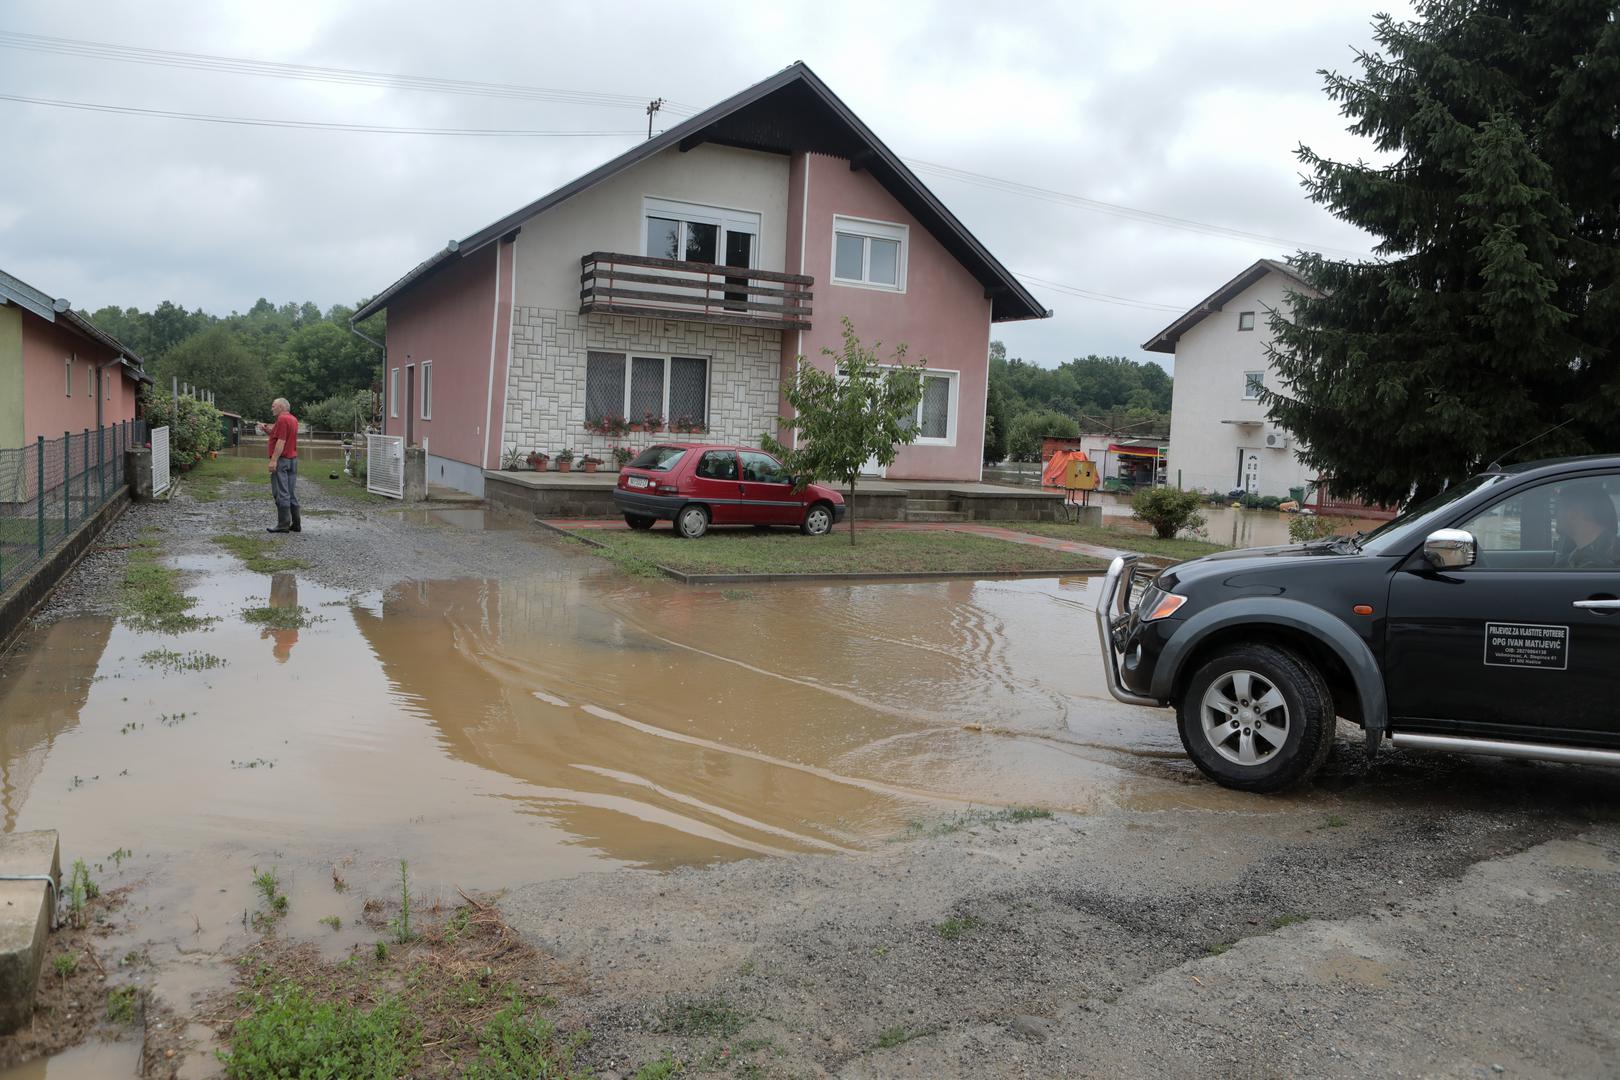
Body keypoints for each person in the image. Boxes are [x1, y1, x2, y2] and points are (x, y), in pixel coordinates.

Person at [256, 397, 301, 534]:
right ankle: (296, 524)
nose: (272, 408)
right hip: (293, 460)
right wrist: (265, 429)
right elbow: (278, 435)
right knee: (290, 492)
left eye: (273, 406)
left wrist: (274, 460)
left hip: (282, 460)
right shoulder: (292, 419)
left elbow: (281, 441)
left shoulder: (282, 419)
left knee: (281, 493)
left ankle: (283, 524)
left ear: (281, 407)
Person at [1553, 485, 1620, 568]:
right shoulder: (1579, 556)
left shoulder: (1605, 562)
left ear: (1575, 512)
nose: (1554, 514)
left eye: (1558, 508)